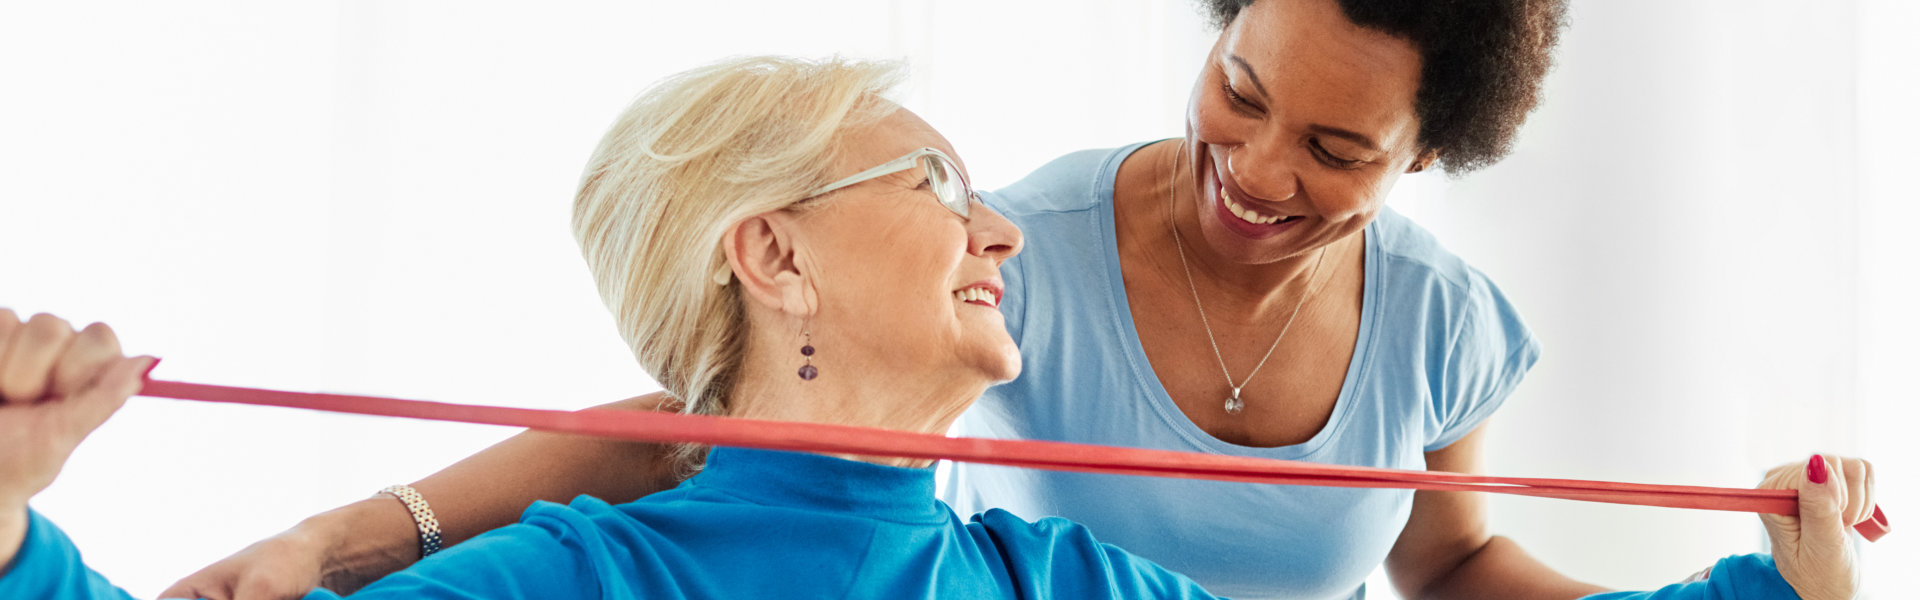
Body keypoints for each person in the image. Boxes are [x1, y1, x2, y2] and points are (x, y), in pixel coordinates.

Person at [161, 2, 1886, 599]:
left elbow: (1452, 567)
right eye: (1238, 84)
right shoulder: (1030, 244)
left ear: (1423, 158)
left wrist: (1761, 582)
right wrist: (346, 533)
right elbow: (699, 433)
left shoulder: (1432, 322)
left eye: (1339, 148)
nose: (1260, 164)